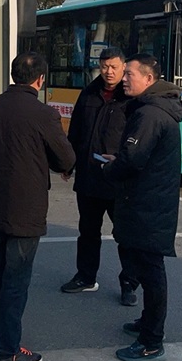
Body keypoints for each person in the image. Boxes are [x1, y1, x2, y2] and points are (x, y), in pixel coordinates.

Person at [0, 52, 76, 361]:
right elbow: (66, 158)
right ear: (40, 79)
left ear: (13, 75)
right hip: (25, 209)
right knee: (16, 280)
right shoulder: (44, 114)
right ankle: (8, 349)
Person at [100, 53, 182, 361]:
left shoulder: (150, 114)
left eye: (129, 74)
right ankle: (147, 323)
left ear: (148, 79)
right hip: (148, 203)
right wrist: (120, 159)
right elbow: (136, 156)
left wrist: (111, 168)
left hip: (149, 206)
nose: (123, 79)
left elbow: (133, 159)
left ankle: (151, 342)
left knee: (151, 271)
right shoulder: (152, 109)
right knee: (147, 270)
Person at [59, 47, 139, 306]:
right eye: (104, 66)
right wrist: (68, 163)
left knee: (125, 235)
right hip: (89, 177)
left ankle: (129, 283)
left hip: (118, 179)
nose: (109, 72)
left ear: (123, 66)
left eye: (114, 67)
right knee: (88, 231)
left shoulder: (131, 97)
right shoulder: (89, 94)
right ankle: (85, 277)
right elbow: (75, 132)